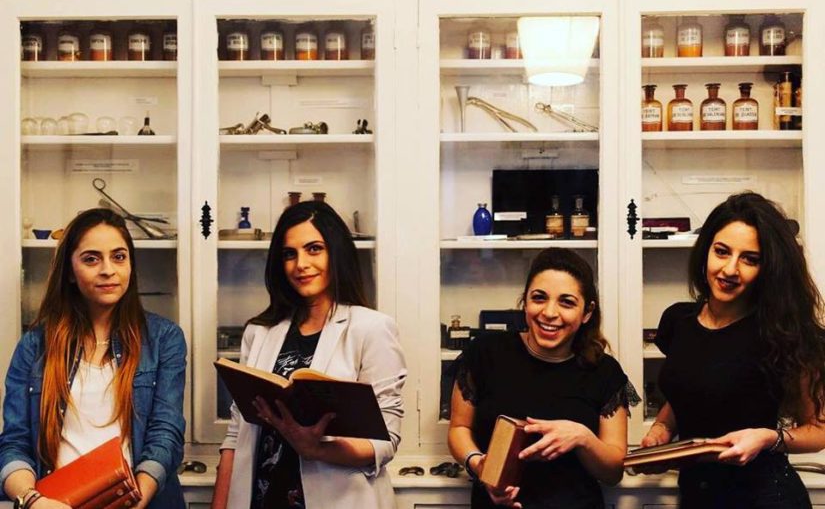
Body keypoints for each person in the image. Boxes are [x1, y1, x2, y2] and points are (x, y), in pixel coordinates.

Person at [210, 201, 406, 509]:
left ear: (336, 253)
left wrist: (315, 449)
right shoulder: (259, 331)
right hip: (262, 499)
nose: (300, 264)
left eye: (314, 249)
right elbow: (236, 434)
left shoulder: (372, 328)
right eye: (290, 254)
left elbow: (385, 440)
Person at [641, 191, 825, 508]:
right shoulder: (677, 320)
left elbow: (819, 430)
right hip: (697, 495)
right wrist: (661, 430)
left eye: (750, 259)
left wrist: (768, 438)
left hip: (766, 497)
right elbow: (689, 387)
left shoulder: (785, 332)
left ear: (768, 268)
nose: (729, 269)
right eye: (722, 252)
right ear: (705, 251)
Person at [0, 208, 187, 509]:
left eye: (119, 257)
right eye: (91, 259)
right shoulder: (34, 346)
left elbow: (166, 433)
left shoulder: (164, 339)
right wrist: (33, 500)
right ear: (70, 272)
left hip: (138, 500)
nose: (108, 270)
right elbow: (14, 443)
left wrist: (138, 497)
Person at [448, 247, 639, 508]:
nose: (549, 312)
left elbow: (613, 471)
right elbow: (459, 428)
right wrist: (478, 464)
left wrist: (582, 437)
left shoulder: (604, 372)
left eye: (566, 302)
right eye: (539, 298)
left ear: (587, 312)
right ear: (525, 301)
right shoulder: (486, 353)